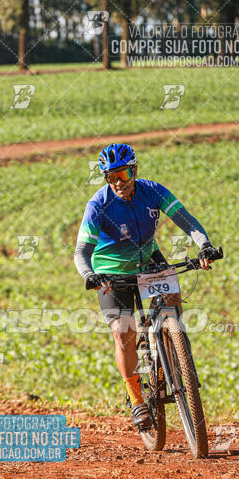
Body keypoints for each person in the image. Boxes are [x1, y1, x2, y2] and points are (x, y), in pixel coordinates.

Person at [74, 143, 216, 430]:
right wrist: (89, 274)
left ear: (134, 170)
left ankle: (178, 357)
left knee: (173, 302)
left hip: (148, 259)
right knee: (123, 332)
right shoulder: (98, 205)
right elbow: (81, 251)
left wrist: (205, 246)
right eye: (111, 177)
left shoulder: (153, 191)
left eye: (123, 174)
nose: (118, 183)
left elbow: (185, 220)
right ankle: (137, 400)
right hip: (110, 272)